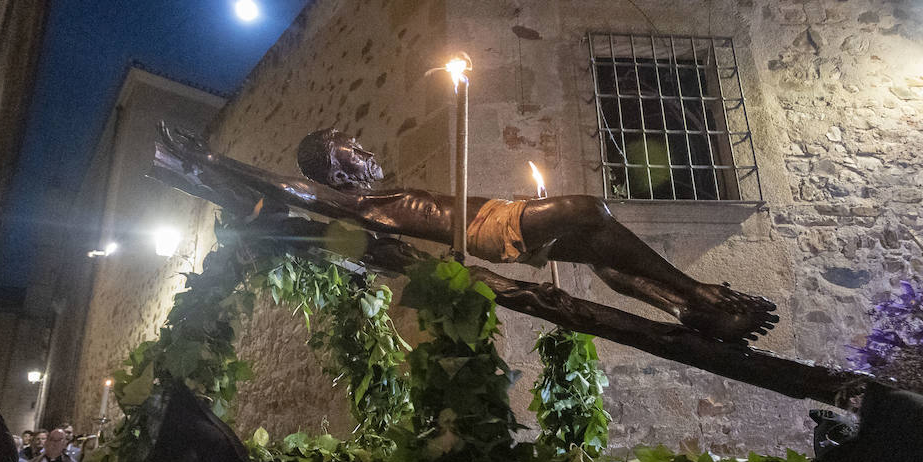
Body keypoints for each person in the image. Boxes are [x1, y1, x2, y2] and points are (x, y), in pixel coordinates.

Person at [156, 124, 776, 342]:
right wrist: (214, 162)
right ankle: (697, 295)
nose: (369, 154)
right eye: (357, 150)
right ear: (338, 167)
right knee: (589, 209)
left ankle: (682, 306)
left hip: (496, 216)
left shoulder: (379, 193)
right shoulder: (360, 200)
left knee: (601, 253)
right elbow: (289, 188)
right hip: (486, 227)